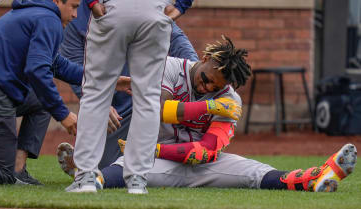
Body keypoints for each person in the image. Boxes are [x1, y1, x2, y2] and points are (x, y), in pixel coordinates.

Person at [59, 36, 357, 192]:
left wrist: (162, 147)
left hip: (191, 160)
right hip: (153, 158)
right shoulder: (170, 67)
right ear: (204, 59)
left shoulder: (230, 99)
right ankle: (89, 176)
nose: (208, 87)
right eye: (207, 78)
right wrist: (207, 107)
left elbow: (206, 152)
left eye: (216, 87)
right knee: (128, 165)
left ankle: (315, 178)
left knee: (252, 170)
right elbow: (159, 111)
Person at [0, 0, 129, 185]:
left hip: (1, 87)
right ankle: (9, 172)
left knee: (41, 102)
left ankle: (17, 170)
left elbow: (57, 65)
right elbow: (37, 71)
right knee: (1, 174)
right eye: (73, 6)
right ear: (56, 1)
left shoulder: (37, 14)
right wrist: (63, 114)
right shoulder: (48, 19)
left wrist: (108, 81)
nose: (75, 15)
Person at [66, 0, 194, 194]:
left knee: (96, 93)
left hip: (114, 8)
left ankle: (86, 177)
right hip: (154, 10)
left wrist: (92, 3)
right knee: (148, 97)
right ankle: (137, 179)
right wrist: (181, 6)